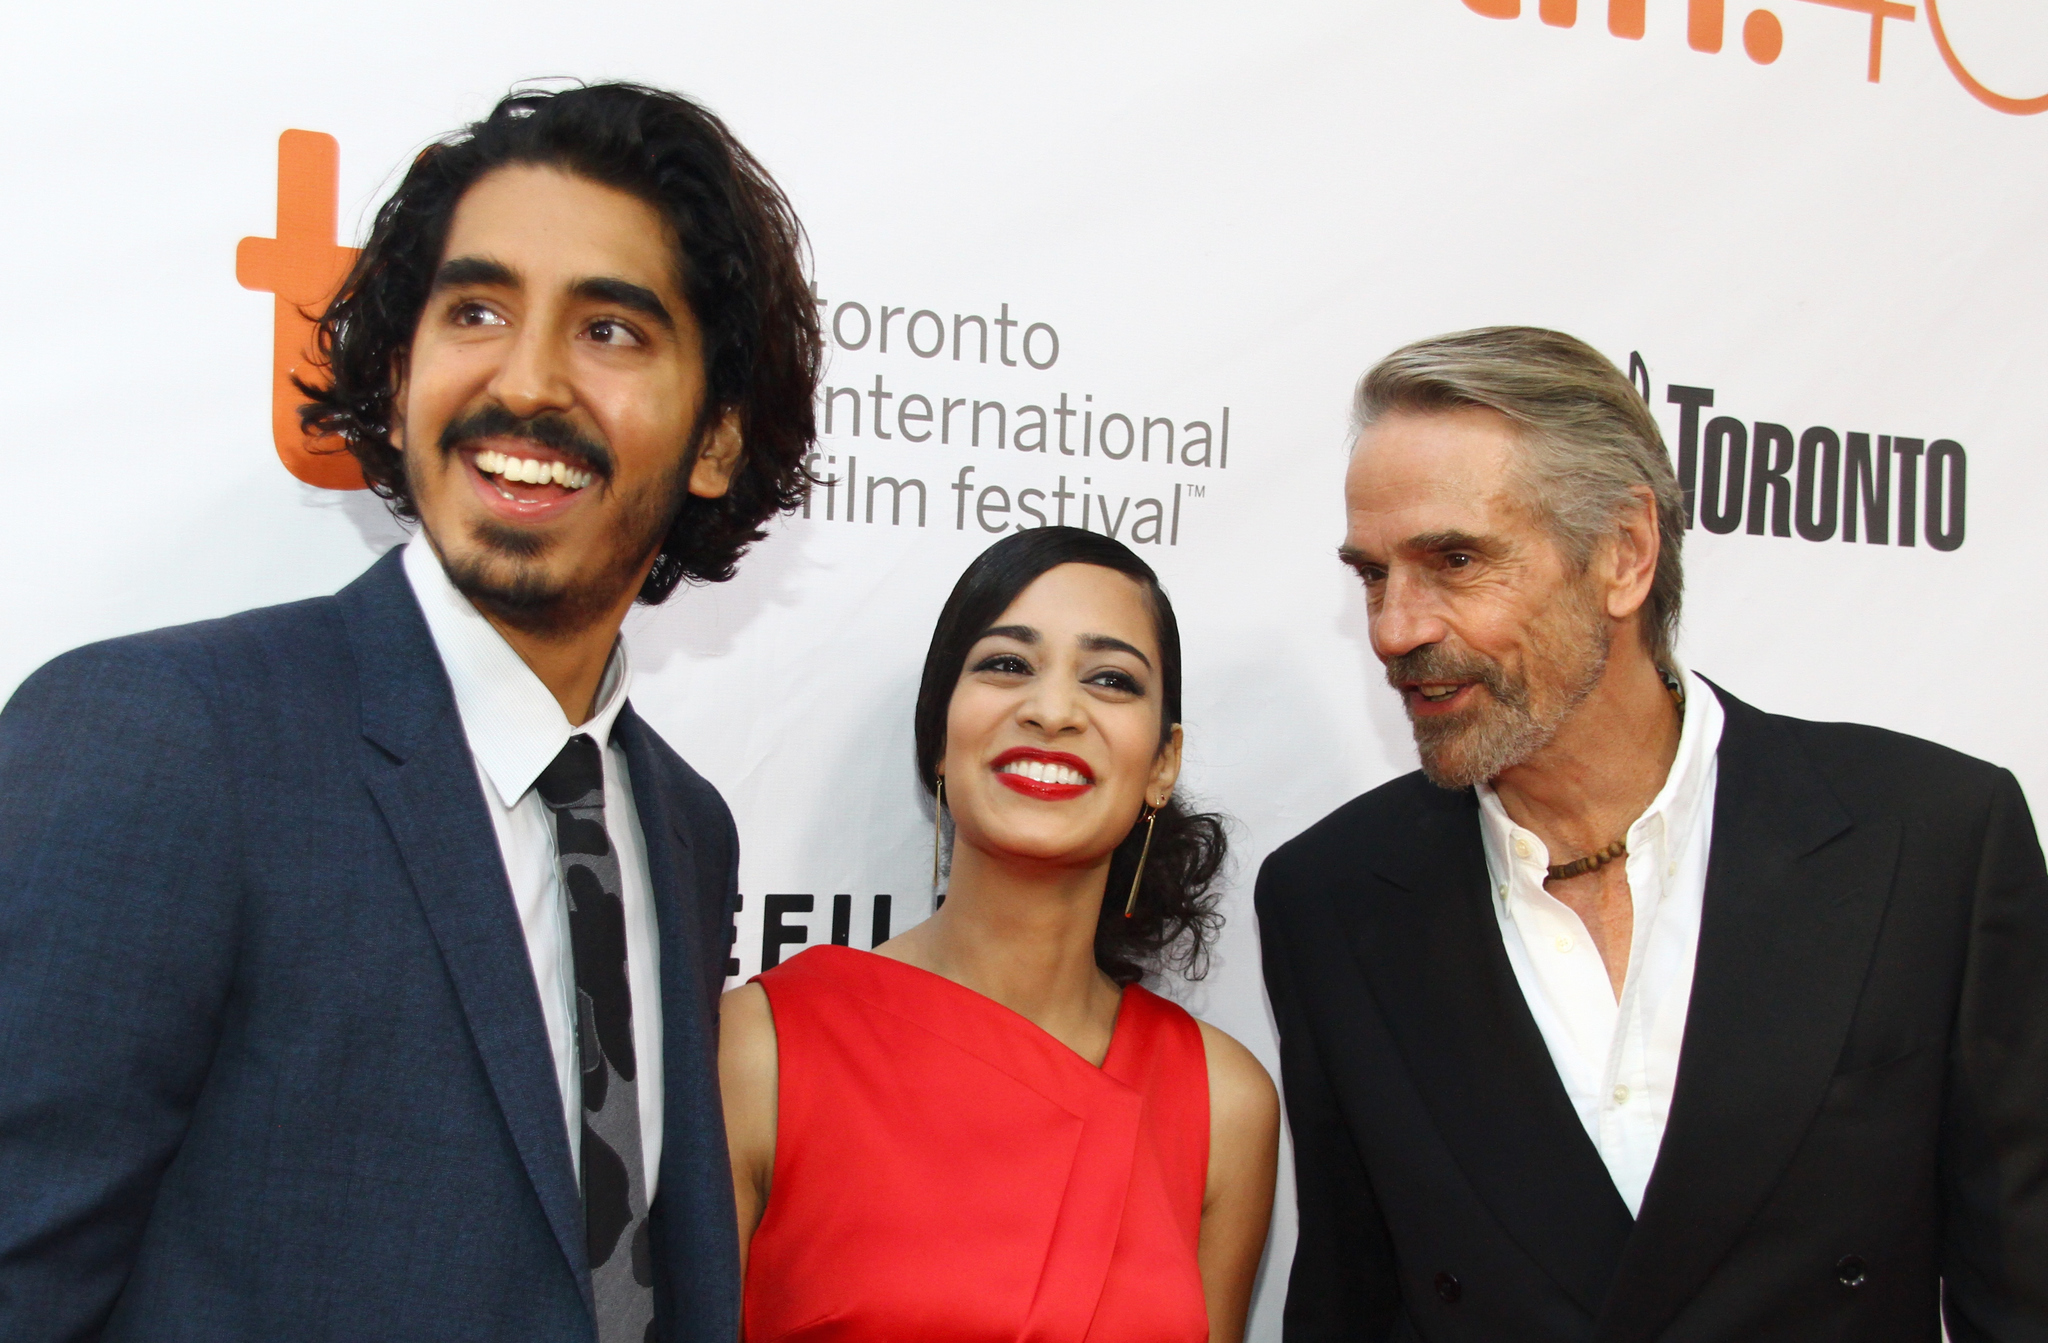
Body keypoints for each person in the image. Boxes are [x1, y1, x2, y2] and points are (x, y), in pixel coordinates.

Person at [0, 83, 820, 1342]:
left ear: (715, 438)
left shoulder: (682, 827)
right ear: (395, 378)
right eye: (476, 311)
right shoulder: (160, 741)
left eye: (610, 331)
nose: (527, 381)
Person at [1257, 327, 2048, 1341]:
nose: (1393, 628)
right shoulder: (1331, 897)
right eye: (1370, 574)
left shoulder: (1931, 841)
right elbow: (1351, 1306)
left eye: (1454, 560)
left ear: (1624, 553)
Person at [718, 527, 1280, 1343]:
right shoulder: (766, 1046)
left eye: (1111, 678)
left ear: (1164, 761)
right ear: (939, 734)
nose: (1052, 710)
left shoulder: (1223, 1102)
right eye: (1006, 664)